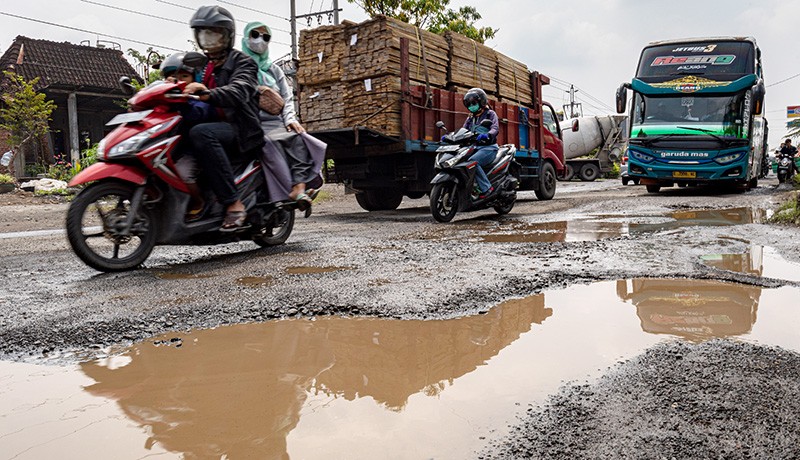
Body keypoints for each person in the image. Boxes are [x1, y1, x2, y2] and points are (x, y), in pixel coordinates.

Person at [182, 5, 264, 231]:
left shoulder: (243, 62)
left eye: (214, 34)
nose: (209, 40)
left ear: (227, 36)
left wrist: (209, 94)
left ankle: (234, 204)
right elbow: (176, 79)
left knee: (201, 133)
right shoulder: (201, 64)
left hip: (240, 130)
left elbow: (240, 89)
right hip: (213, 123)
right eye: (203, 34)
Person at [241, 21, 325, 213]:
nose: (260, 40)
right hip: (252, 122)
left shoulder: (273, 69)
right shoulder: (240, 66)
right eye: (255, 34)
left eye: (265, 37)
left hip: (276, 122)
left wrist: (290, 119)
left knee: (299, 138)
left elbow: (287, 98)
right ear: (246, 37)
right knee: (273, 142)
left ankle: (299, 188)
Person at [159, 52, 216, 217]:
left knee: (183, 173)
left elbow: (198, 114)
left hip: (192, 150)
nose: (179, 80)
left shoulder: (199, 97)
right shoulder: (165, 98)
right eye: (173, 76)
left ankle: (198, 201)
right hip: (169, 148)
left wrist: (184, 101)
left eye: (185, 76)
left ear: (195, 78)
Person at [460, 87, 499, 198]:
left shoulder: (490, 114)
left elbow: (495, 128)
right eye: (469, 104)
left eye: (474, 103)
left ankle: (487, 188)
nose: (471, 106)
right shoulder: (470, 118)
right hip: (474, 148)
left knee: (472, 162)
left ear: (481, 102)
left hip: (489, 148)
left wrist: (487, 135)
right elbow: (463, 130)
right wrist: (450, 137)